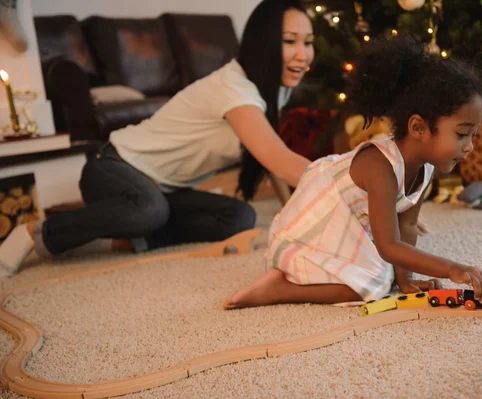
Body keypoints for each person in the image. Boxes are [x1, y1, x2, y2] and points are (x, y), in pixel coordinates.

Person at [0, 0, 315, 278]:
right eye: (290, 41)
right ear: (264, 41)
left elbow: (268, 157)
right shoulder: (236, 90)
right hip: (111, 166)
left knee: (240, 217)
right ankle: (32, 233)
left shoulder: (273, 90)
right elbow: (280, 160)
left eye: (309, 42)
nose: (303, 55)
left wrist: (293, 216)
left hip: (164, 189)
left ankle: (121, 238)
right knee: (150, 210)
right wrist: (340, 180)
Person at [225, 35, 482, 310]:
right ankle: (280, 289)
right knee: (369, 287)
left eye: (473, 134)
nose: (470, 146)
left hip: (351, 227)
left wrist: (406, 278)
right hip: (315, 229)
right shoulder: (380, 167)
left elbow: (407, 226)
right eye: (462, 134)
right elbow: (389, 246)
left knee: (387, 276)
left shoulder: (426, 168)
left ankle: (353, 277)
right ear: (418, 128)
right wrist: (450, 268)